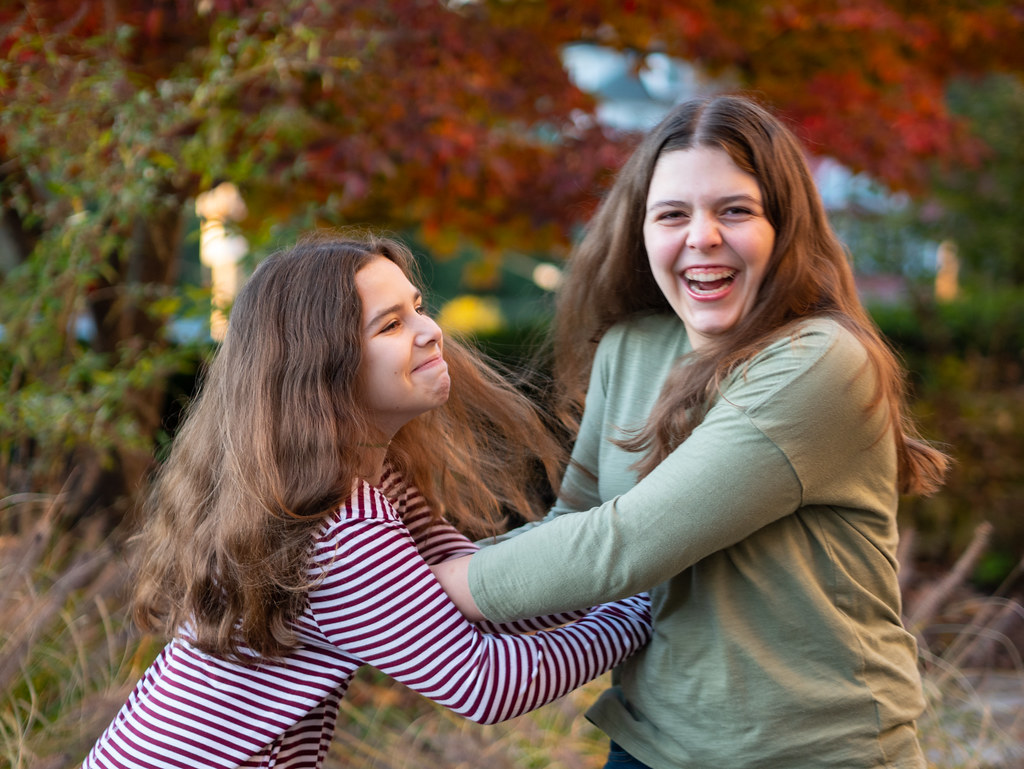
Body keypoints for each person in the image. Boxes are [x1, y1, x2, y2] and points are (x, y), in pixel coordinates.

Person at [431, 95, 949, 768]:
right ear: (642, 233)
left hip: (813, 752)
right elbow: (577, 521)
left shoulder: (821, 363)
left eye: (734, 210)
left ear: (784, 227)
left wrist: (415, 588)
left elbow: (628, 543)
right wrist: (400, 578)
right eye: (673, 213)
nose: (701, 235)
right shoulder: (632, 347)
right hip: (651, 744)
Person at [82, 233, 652, 769]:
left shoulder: (368, 483)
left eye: (418, 307)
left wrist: (630, 572)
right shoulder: (338, 525)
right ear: (322, 373)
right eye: (391, 325)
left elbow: (485, 592)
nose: (430, 331)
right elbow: (484, 683)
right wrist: (646, 607)